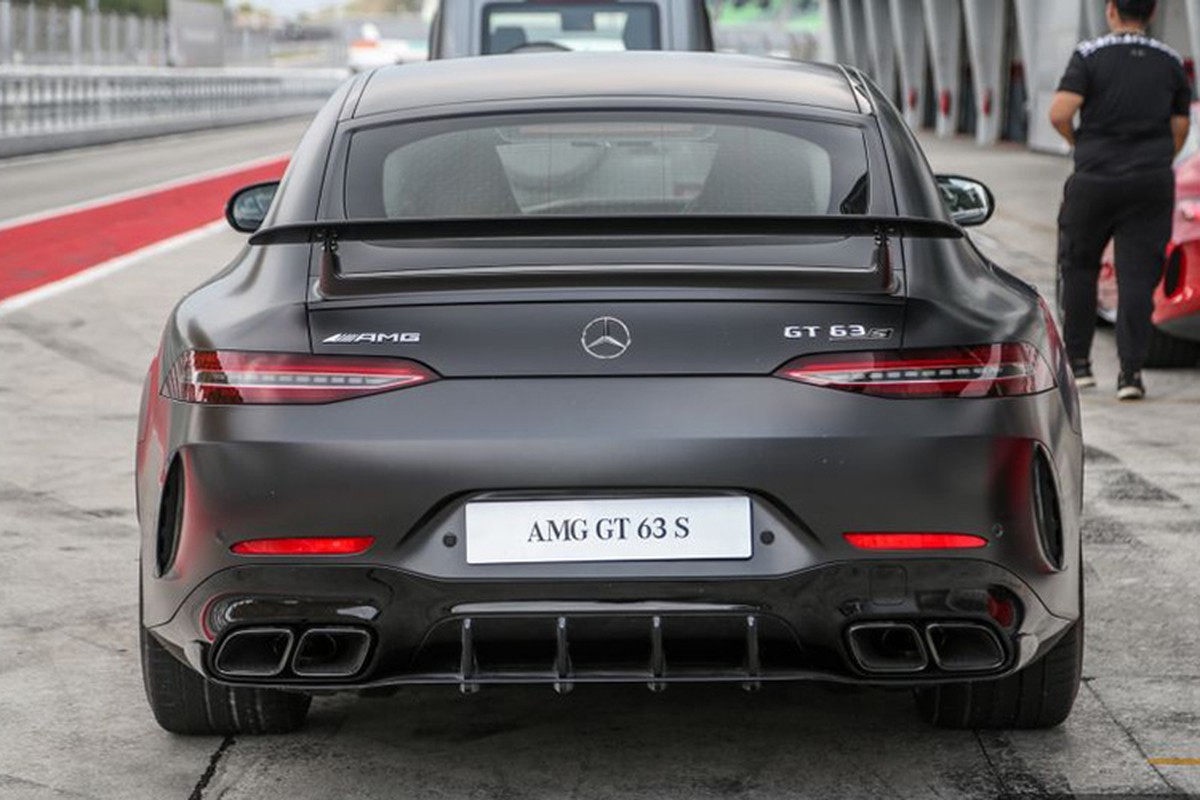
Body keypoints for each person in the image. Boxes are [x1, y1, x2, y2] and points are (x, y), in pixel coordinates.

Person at [1049, 0, 1191, 400]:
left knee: (1079, 267)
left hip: (1095, 178)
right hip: (1150, 182)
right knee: (1138, 277)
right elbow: (1180, 126)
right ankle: (1131, 375)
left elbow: (1060, 111)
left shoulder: (1089, 54)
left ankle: (1080, 366)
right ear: (1152, 12)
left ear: (1111, 10)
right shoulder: (1170, 61)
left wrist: (1079, 143)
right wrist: (1158, 157)